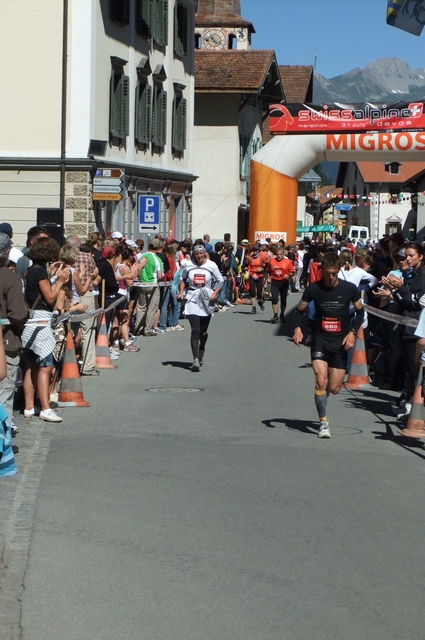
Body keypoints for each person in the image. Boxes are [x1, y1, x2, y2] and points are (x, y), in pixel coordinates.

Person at [292, 251, 364, 439]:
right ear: (321, 270)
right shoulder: (313, 289)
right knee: (321, 380)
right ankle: (323, 422)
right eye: (327, 273)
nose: (331, 277)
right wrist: (298, 329)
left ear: (339, 269)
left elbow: (360, 312)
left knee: (334, 388)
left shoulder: (349, 289)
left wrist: (352, 332)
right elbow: (299, 311)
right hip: (320, 339)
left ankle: (322, 396)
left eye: (334, 273)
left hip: (341, 341)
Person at [22, 237, 70, 423]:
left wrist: (52, 276)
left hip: (32, 321)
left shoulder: (31, 270)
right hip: (41, 321)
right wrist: (60, 280)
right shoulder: (40, 272)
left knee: (32, 365)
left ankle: (29, 406)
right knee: (46, 365)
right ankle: (45, 408)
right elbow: (50, 297)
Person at [0, 232, 28, 436]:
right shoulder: (10, 278)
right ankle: (3, 442)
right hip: (5, 343)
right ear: (7, 252)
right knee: (4, 395)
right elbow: (18, 314)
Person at [178, 245, 223, 372]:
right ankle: (195, 360)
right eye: (197, 254)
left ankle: (202, 347)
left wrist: (215, 293)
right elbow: (182, 279)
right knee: (195, 330)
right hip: (192, 298)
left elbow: (220, 281)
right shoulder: (188, 264)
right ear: (194, 255)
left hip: (206, 298)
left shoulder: (211, 265)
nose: (199, 256)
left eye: (201, 253)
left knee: (203, 331)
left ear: (204, 254)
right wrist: (181, 293)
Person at [134, 238, 163, 336]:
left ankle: (138, 328)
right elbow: (160, 276)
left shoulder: (141, 256)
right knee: (152, 307)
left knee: (141, 306)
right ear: (158, 247)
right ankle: (148, 329)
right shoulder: (157, 259)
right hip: (153, 284)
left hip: (141, 283)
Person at [267, 246, 294, 323]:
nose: (279, 256)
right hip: (275, 282)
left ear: (283, 254)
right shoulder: (272, 262)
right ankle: (275, 315)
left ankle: (282, 314)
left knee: (283, 300)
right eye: (277, 254)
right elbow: (269, 271)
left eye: (280, 254)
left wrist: (288, 275)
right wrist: (269, 278)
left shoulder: (287, 262)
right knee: (274, 298)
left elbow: (292, 272)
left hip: (284, 282)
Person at [247, 244, 266, 313]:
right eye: (253, 250)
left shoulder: (261, 257)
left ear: (258, 251)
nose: (254, 252)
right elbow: (247, 265)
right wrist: (245, 269)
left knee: (259, 294)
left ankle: (260, 302)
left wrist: (261, 269)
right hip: (252, 275)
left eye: (256, 250)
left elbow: (265, 266)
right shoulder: (250, 258)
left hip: (259, 275)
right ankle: (253, 307)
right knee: (252, 292)